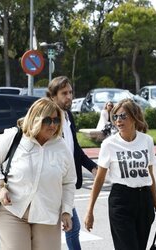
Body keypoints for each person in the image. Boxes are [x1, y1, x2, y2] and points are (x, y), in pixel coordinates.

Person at [0, 98, 77, 250]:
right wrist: (0, 186)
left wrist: (67, 211)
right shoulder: (14, 137)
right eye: (47, 120)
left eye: (56, 120)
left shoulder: (61, 146)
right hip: (12, 210)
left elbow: (69, 182)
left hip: (47, 214)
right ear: (35, 118)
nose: (53, 125)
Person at [84, 98, 156, 250]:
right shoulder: (109, 144)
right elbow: (100, 179)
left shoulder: (147, 141)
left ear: (134, 117)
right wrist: (90, 211)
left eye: (123, 116)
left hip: (144, 201)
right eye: (115, 117)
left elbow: (150, 176)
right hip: (121, 201)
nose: (118, 121)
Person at [47, 76, 98, 250]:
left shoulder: (68, 116)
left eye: (70, 92)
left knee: (71, 228)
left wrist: (92, 167)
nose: (69, 96)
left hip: (66, 183)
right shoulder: (50, 120)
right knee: (70, 227)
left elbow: (75, 149)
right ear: (53, 97)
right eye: (64, 93)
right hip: (54, 184)